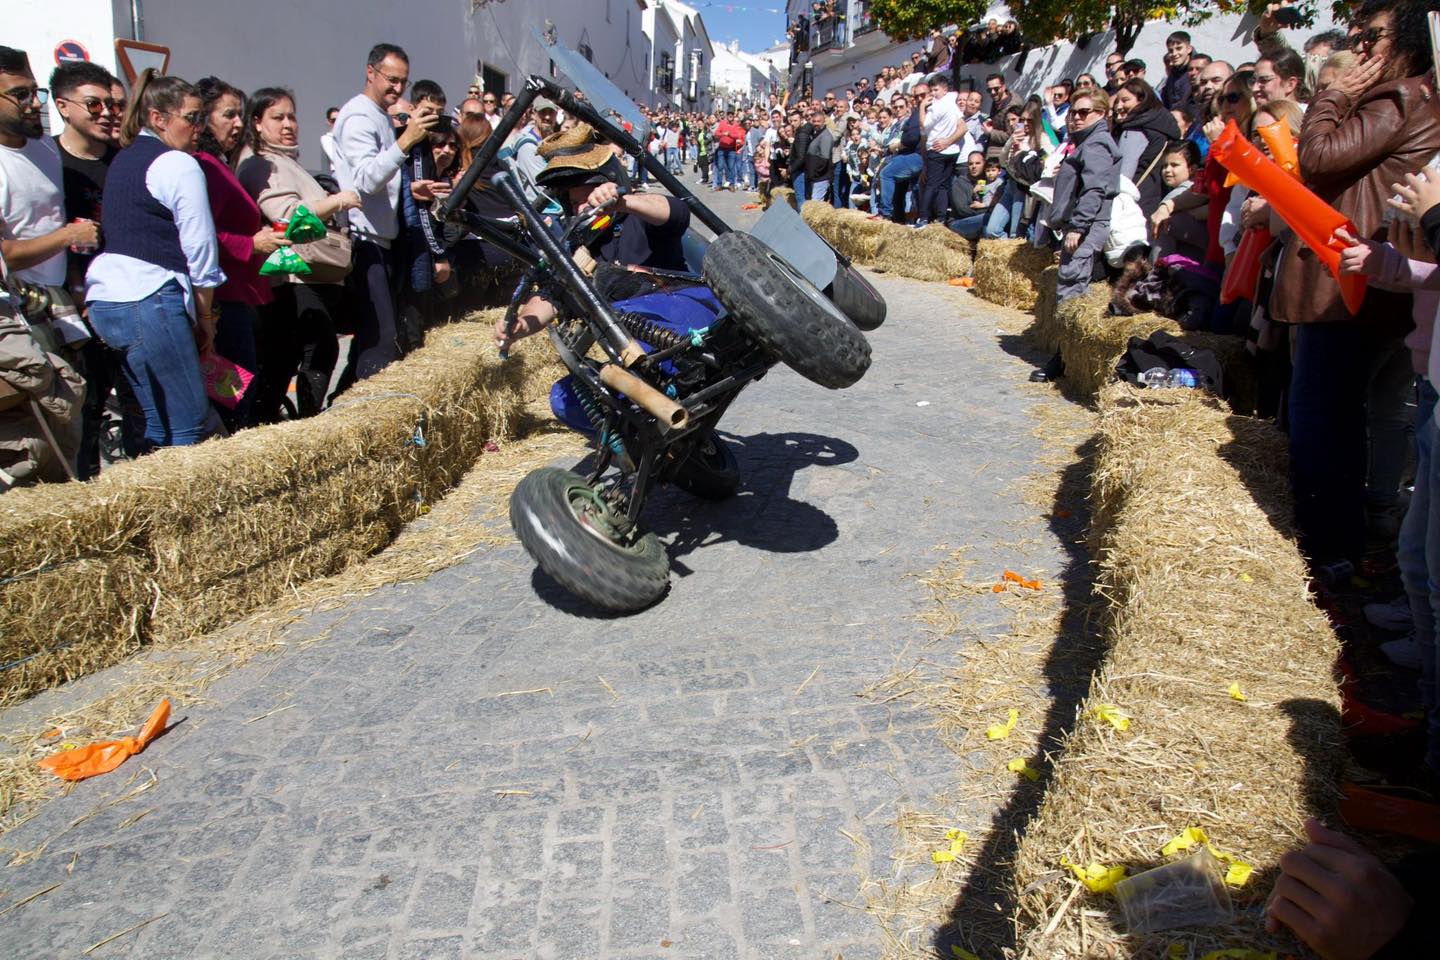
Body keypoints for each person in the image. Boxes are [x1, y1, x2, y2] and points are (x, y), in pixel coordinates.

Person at [1275, 0, 1440, 573]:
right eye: (1356, 37)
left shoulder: (1399, 96)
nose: (1361, 48)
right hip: (1375, 277)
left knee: (1324, 414)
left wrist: (1335, 94)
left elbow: (1316, 158)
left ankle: (1330, 551)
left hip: (1355, 283)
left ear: (1411, 41)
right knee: (1353, 412)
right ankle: (1348, 541)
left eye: (1371, 36)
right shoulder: (1409, 95)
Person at [84, 70, 225, 449]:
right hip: (148, 298)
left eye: (201, 117)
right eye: (191, 118)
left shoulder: (126, 160)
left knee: (158, 421)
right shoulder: (177, 164)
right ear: (158, 118)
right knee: (188, 426)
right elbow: (200, 248)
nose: (199, 127)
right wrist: (205, 318)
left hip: (107, 302)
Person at [237, 88, 360, 423]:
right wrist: (337, 202)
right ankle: (289, 425)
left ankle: (290, 422)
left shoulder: (284, 162)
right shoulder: (260, 165)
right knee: (309, 349)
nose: (288, 124)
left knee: (295, 354)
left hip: (307, 275)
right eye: (278, 117)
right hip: (288, 276)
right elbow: (286, 215)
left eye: (291, 116)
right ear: (257, 123)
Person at [48, 61, 144, 478]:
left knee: (138, 404)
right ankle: (82, 486)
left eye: (110, 103)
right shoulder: (47, 160)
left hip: (127, 302)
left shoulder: (125, 162)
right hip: (70, 310)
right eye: (94, 104)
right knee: (82, 409)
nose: (106, 112)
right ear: (64, 106)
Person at [331, 43, 438, 392]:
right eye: (391, 80)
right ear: (370, 72)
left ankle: (346, 403)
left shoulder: (378, 114)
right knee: (380, 339)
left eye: (403, 83)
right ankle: (362, 408)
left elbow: (385, 180)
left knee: (373, 338)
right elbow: (365, 179)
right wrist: (405, 141)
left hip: (384, 239)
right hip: (367, 242)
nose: (397, 89)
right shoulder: (359, 115)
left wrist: (410, 188)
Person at [193, 76, 283, 431]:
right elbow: (202, 234)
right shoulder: (203, 164)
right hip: (222, 296)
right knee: (235, 391)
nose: (238, 123)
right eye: (228, 115)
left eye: (240, 115)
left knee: (243, 388)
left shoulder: (219, 162)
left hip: (236, 291)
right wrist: (251, 244)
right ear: (204, 117)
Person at [0, 46, 97, 355]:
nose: (33, 104)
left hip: (62, 298)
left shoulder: (43, 145)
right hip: (17, 308)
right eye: (19, 95)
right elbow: (5, 256)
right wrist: (68, 235)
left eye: (35, 92)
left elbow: (54, 215)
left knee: (83, 394)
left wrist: (76, 285)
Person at [1049, 89, 1119, 303]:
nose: (1077, 117)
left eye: (1084, 112)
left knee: (1071, 287)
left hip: (1087, 225)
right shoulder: (1087, 142)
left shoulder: (1096, 143)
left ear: (1101, 113)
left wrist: (1078, 227)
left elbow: (1095, 189)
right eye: (1073, 112)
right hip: (1083, 224)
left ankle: (1063, 335)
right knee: (1073, 284)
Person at [1111, 79, 1181, 220]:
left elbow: (1123, 176)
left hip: (1134, 203)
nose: (1118, 106)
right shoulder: (1163, 126)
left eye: (1125, 100)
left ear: (1142, 100)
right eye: (1117, 101)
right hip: (1157, 198)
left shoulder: (1135, 129)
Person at [916, 74, 964, 228]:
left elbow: (923, 125)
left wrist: (922, 107)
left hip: (937, 150)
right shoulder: (952, 104)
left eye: (935, 90)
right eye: (931, 90)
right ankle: (941, 217)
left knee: (931, 185)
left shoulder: (936, 106)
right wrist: (949, 140)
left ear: (944, 89)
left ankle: (923, 217)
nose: (933, 94)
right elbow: (961, 124)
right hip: (951, 150)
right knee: (942, 185)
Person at [1159, 31, 1193, 110]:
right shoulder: (1172, 76)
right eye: (1171, 51)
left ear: (1189, 49)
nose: (1174, 54)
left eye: (1179, 48)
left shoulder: (1196, 71)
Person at [320, 106, 340, 174]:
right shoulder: (326, 138)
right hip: (337, 172)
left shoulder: (345, 137)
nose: (337, 123)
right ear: (328, 122)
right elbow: (335, 158)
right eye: (334, 120)